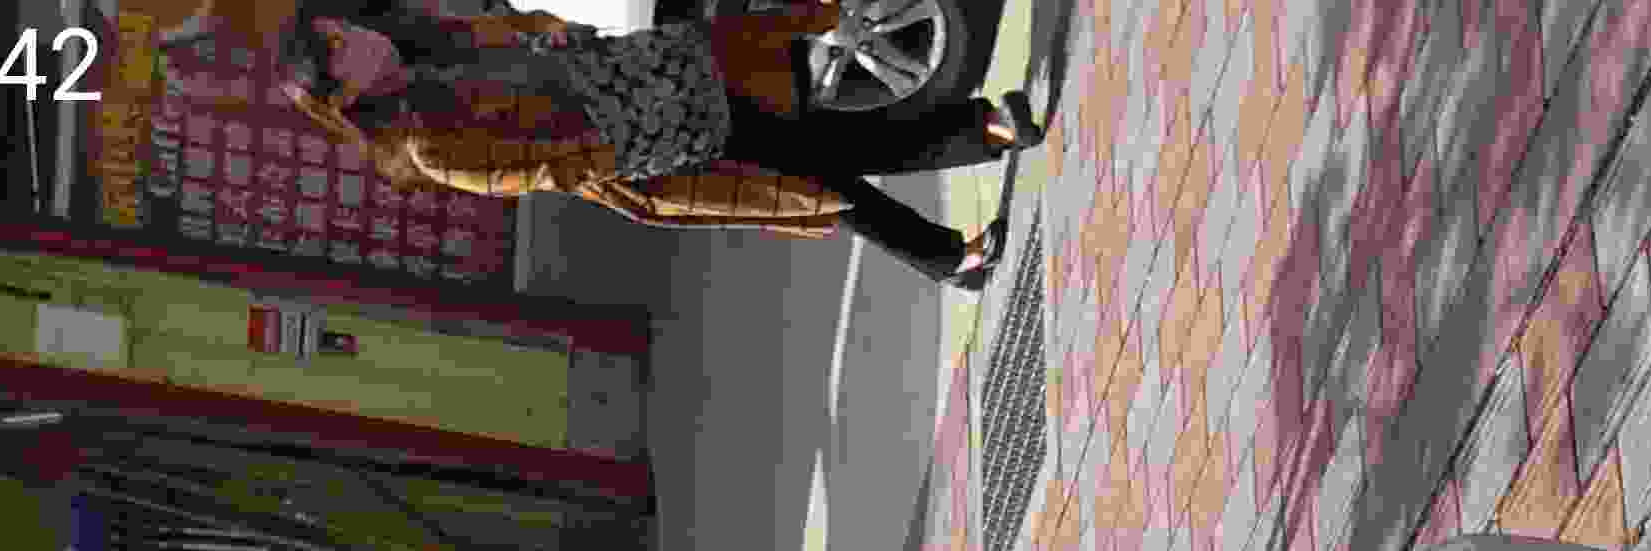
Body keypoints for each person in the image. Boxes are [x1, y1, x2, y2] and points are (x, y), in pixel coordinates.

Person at [241, 7, 1050, 290]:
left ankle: (976, 148)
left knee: (818, 139)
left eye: (340, 29)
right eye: (338, 51)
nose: (354, 38)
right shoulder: (423, 139)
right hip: (654, 149)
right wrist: (631, 133)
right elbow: (536, 169)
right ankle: (954, 237)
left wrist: (568, 38)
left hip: (666, 78)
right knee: (816, 181)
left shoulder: (432, 47)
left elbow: (531, 32)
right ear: (344, 97)